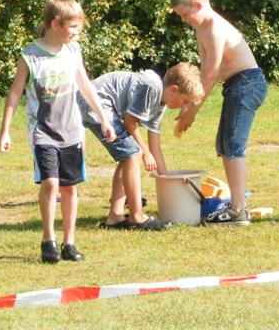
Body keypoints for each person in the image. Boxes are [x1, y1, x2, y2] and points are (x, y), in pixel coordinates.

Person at [0, 0, 115, 263]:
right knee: (51, 183)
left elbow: (86, 86)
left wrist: (104, 119)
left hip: (72, 131)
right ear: (55, 24)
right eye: (73, 27)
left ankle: (69, 243)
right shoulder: (30, 56)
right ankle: (48, 240)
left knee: (70, 187)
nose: (77, 33)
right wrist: (5, 130)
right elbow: (14, 94)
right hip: (43, 132)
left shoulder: (73, 51)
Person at [171, 0, 268, 226]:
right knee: (224, 145)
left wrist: (193, 111)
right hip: (235, 85)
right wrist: (189, 103)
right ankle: (236, 204)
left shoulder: (214, 28)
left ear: (197, 5)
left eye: (185, 14)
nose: (183, 20)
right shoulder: (200, 30)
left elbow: (211, 74)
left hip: (248, 83)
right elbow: (204, 73)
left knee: (233, 145)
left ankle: (238, 211)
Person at [78, 63, 204, 230]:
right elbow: (130, 122)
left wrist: (166, 180)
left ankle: (114, 217)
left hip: (102, 107)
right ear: (174, 90)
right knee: (133, 154)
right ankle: (137, 216)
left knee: (128, 156)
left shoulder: (161, 105)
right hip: (95, 103)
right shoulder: (151, 87)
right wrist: (145, 152)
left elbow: (155, 146)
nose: (183, 106)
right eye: (185, 101)